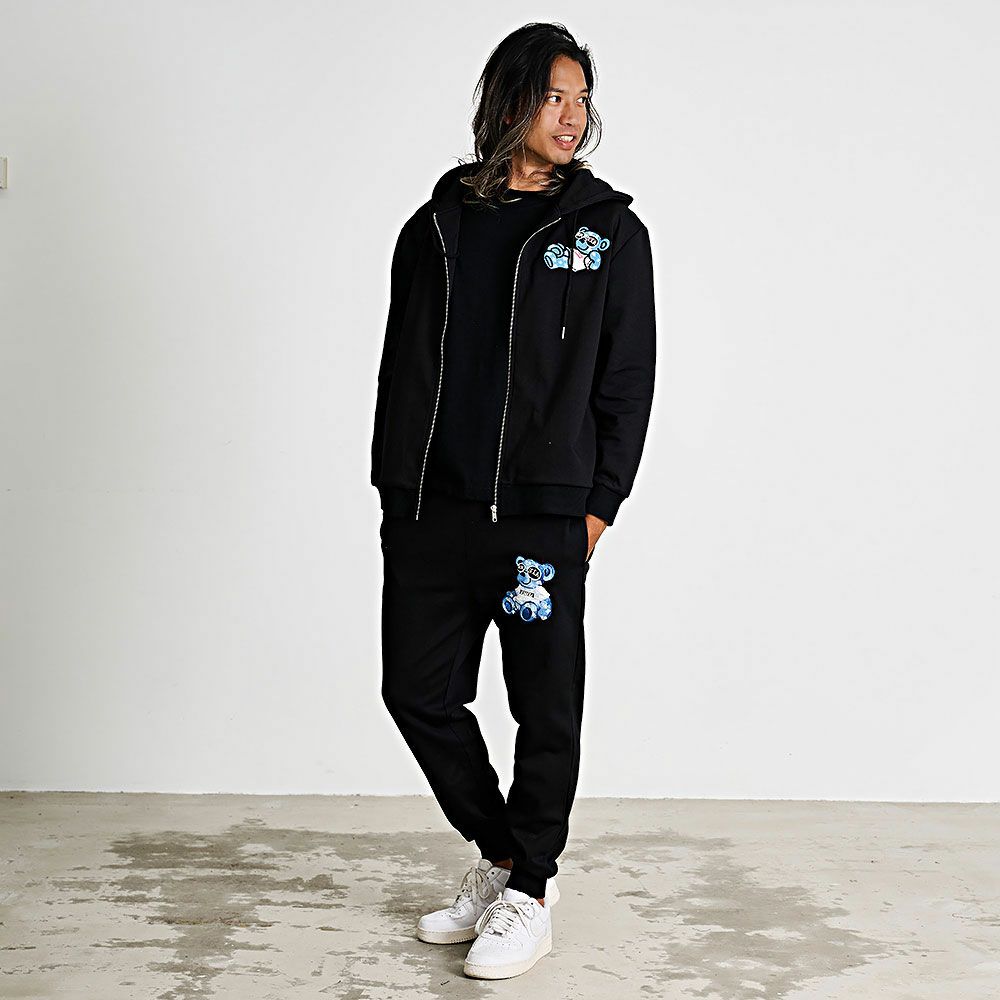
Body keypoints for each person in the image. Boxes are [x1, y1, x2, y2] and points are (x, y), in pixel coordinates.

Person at [370, 21, 656, 980]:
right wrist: (394, 491)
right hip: (431, 511)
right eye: (554, 97)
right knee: (416, 693)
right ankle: (506, 857)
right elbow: (399, 368)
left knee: (545, 707)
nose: (573, 117)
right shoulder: (434, 226)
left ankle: (529, 890)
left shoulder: (608, 235)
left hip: (543, 514)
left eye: (583, 99)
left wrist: (598, 505)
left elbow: (627, 379)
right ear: (508, 102)